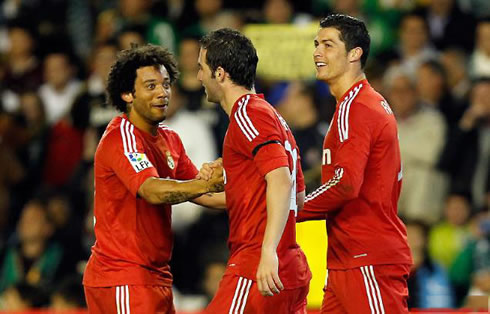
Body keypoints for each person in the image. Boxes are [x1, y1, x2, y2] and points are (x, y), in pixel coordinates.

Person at [82, 44, 225, 314]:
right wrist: (206, 182)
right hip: (122, 276)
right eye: (150, 86)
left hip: (155, 276)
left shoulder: (170, 139)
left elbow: (201, 193)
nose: (163, 93)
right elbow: (152, 190)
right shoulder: (121, 137)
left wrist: (257, 200)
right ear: (127, 94)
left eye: (166, 84)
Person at [296, 14, 412, 313]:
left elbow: (345, 184)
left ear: (354, 53)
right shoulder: (360, 103)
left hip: (367, 258)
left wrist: (291, 208)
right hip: (348, 259)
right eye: (316, 44)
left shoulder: (356, 107)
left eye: (328, 45)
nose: (317, 52)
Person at [197, 28, 311, 314]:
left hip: (257, 264)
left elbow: (282, 182)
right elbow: (296, 198)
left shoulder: (247, 114)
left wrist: (268, 251)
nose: (199, 77)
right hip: (289, 266)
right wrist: (183, 191)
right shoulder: (273, 116)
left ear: (220, 73)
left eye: (201, 68)